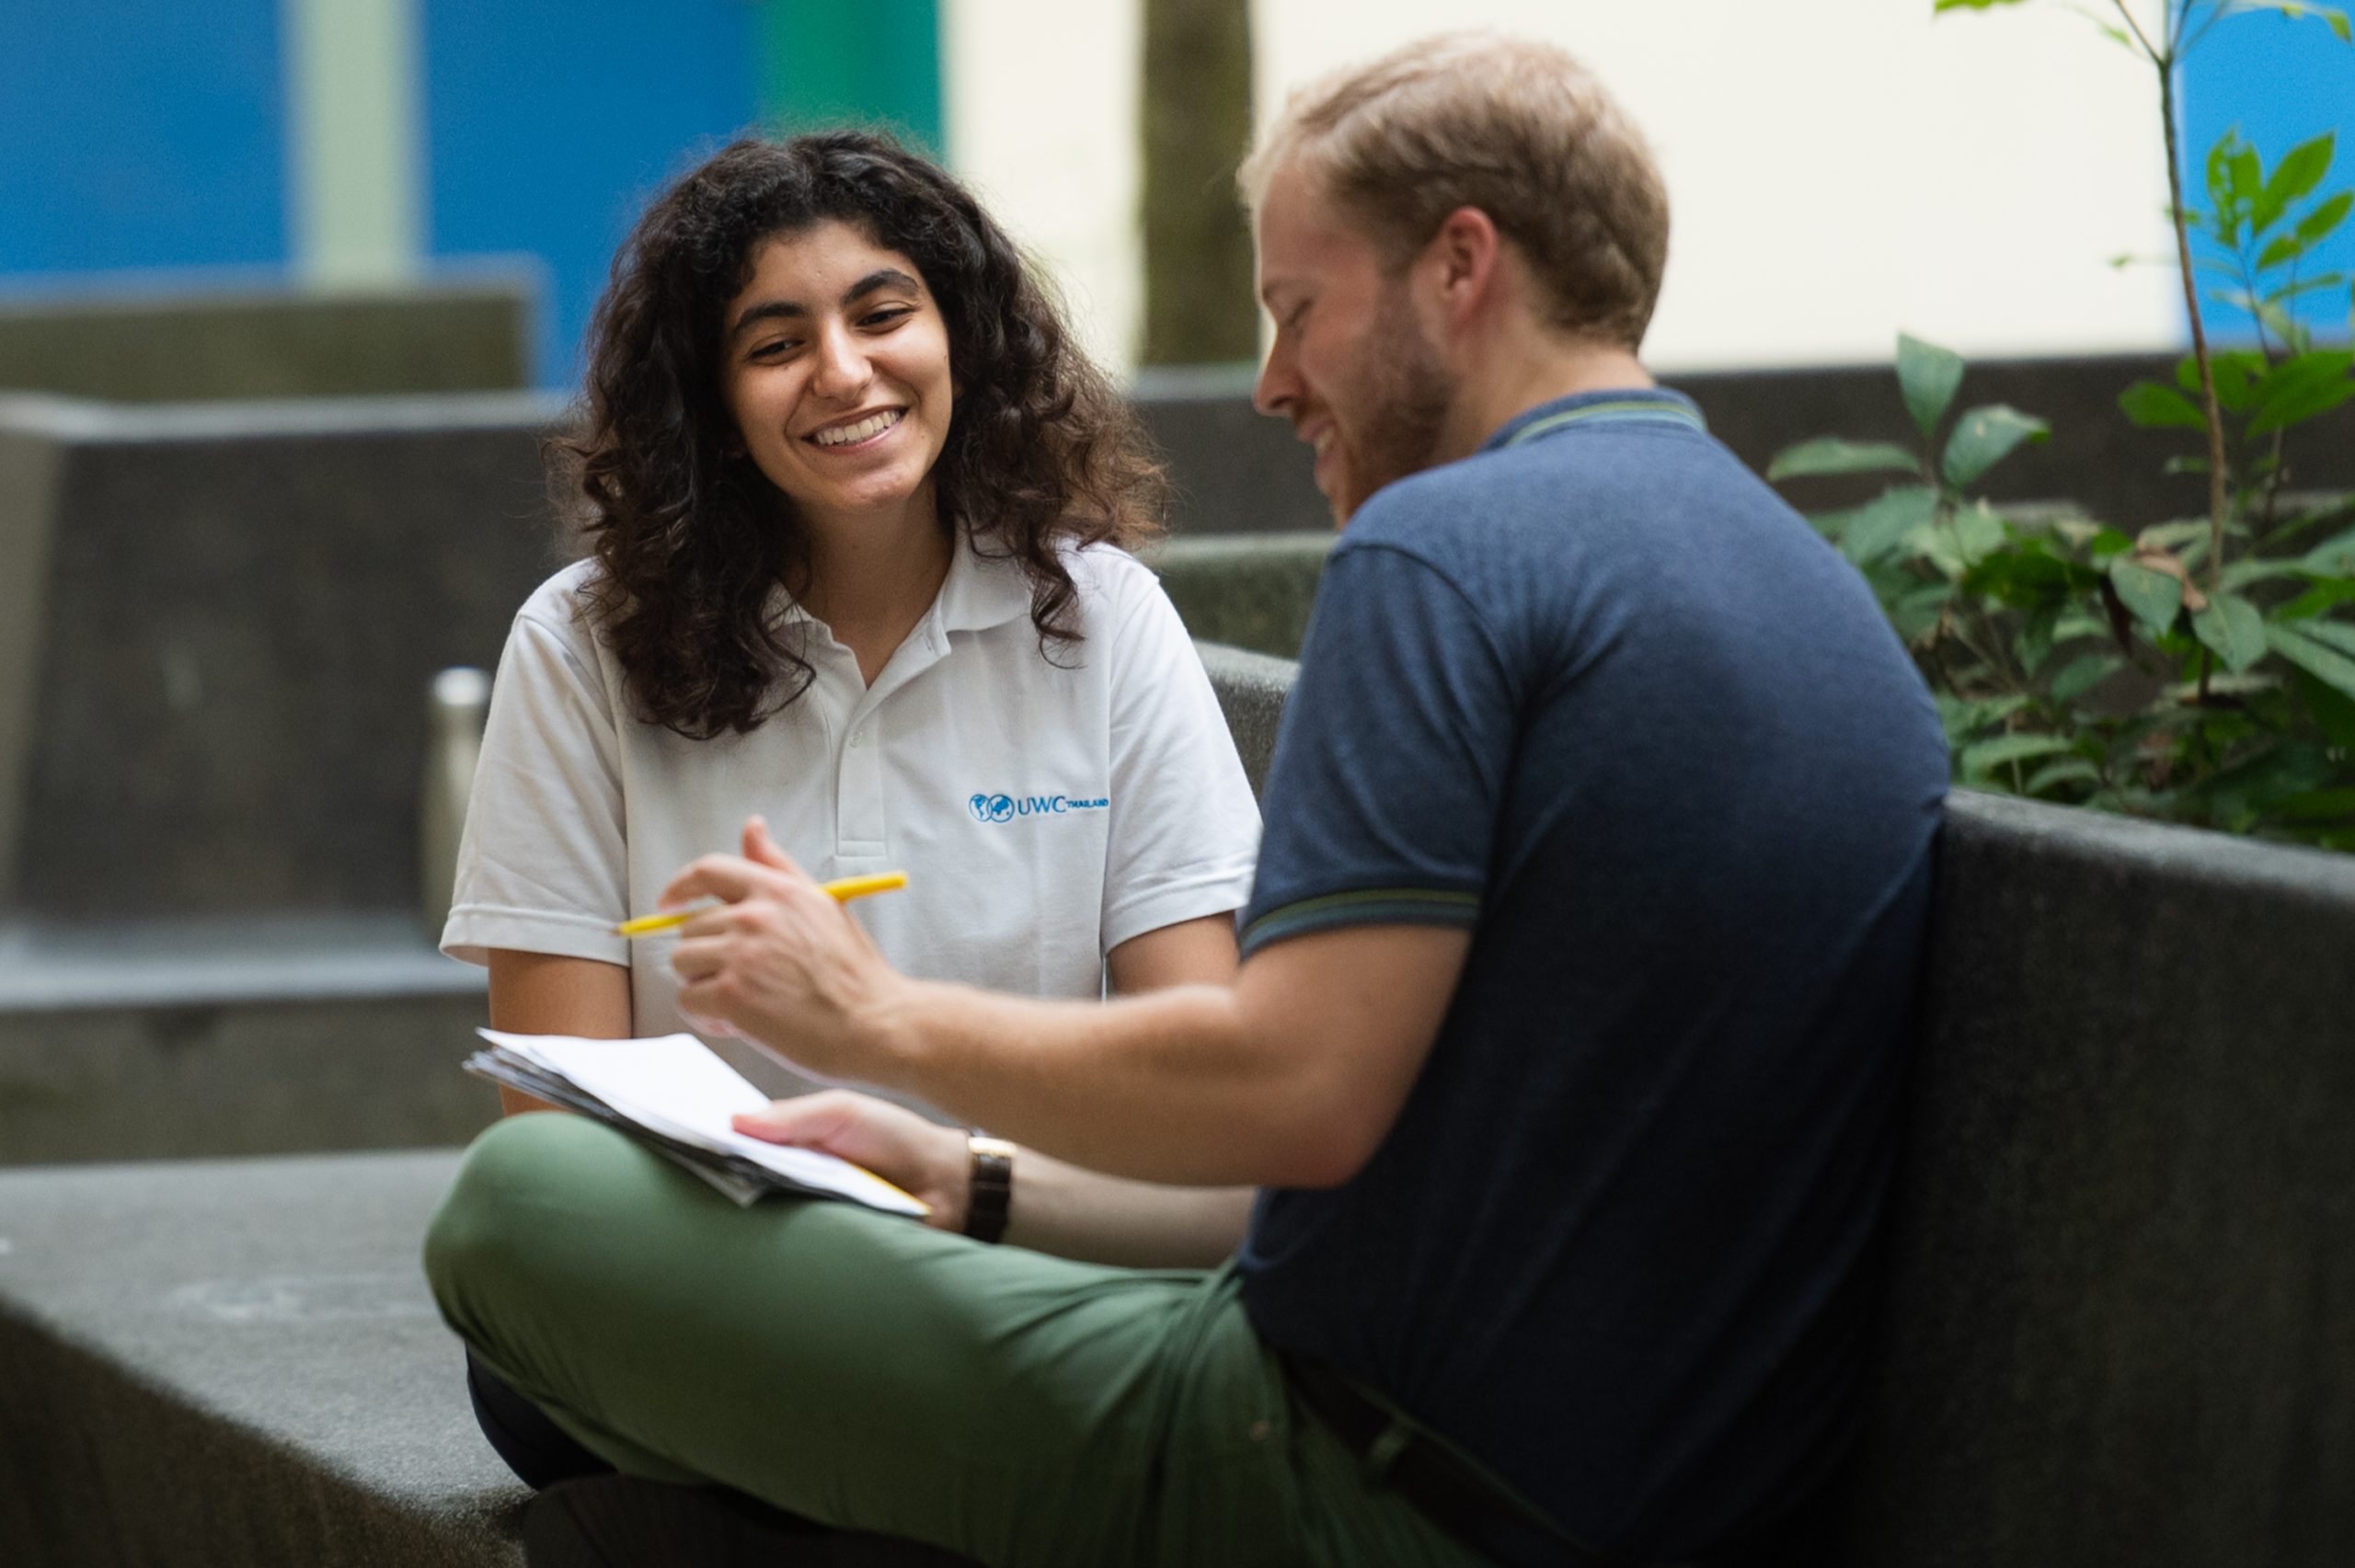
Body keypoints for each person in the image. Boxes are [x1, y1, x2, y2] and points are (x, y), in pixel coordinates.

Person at [428, 34, 1950, 1568]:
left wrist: (872, 1020)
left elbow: (1288, 1102)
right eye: (773, 340)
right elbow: (1315, 1154)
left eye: (1298, 309)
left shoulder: (1438, 560)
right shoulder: (1811, 587)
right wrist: (971, 1179)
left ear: (1460, 269)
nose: (1277, 378)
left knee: (519, 1214)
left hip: (1348, 1461)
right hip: (1622, 1481)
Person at [437, 132, 1263, 1487]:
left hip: (1011, 1237)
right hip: (721, 1264)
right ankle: (968, 1437)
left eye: (884, 314)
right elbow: (556, 1132)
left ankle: (844, 1448)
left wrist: (944, 1148)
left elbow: (1200, 1074)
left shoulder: (1103, 616)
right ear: (711, 401)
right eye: (775, 342)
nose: (843, 370)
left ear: (963, 337)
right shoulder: (580, 645)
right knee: (513, 1217)